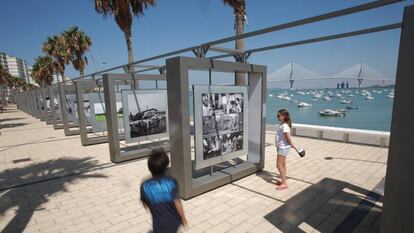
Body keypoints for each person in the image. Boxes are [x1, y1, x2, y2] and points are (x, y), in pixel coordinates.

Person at [140, 149, 188, 233]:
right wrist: (183, 218)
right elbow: (177, 202)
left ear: (149, 167)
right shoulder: (172, 181)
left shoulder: (145, 185)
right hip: (173, 222)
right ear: (166, 166)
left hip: (158, 224)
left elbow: (145, 204)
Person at [275, 109, 296, 190]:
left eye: (279, 115)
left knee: (278, 165)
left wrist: (292, 144)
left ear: (284, 116)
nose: (278, 117)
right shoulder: (283, 124)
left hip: (283, 147)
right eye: (277, 115)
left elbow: (287, 137)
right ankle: (283, 180)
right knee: (283, 164)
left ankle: (284, 183)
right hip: (281, 147)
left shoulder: (285, 126)